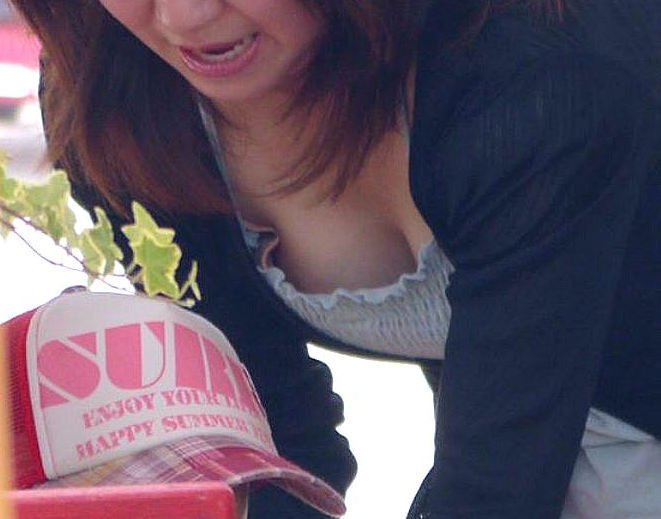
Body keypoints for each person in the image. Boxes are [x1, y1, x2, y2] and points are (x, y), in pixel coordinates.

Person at [8, 0, 661, 517]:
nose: (186, 16)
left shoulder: (536, 69)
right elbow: (270, 435)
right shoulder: (118, 101)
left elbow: (497, 486)